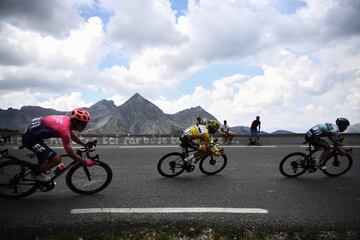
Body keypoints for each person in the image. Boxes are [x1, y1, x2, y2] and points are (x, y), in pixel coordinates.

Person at [22, 108, 94, 182]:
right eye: (83, 124)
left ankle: (40, 168)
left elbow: (71, 134)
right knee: (56, 159)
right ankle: (35, 173)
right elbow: (70, 154)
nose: (85, 126)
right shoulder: (64, 131)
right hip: (30, 138)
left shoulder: (67, 120)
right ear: (75, 121)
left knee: (44, 163)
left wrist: (84, 144)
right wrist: (85, 162)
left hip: (34, 134)